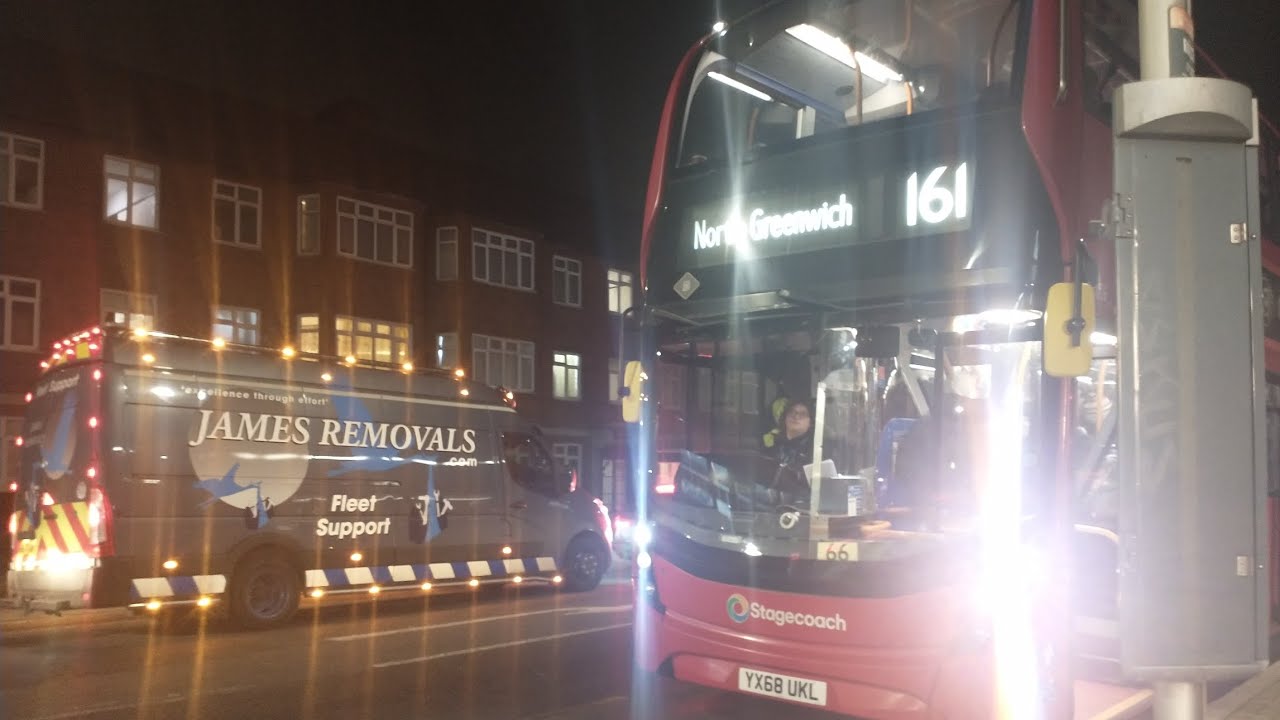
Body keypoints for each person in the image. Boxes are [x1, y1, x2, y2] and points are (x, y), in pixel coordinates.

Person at [765, 399, 814, 467]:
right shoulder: (771, 445)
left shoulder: (815, 452)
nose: (796, 416)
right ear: (785, 417)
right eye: (792, 412)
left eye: (803, 414)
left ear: (810, 423)